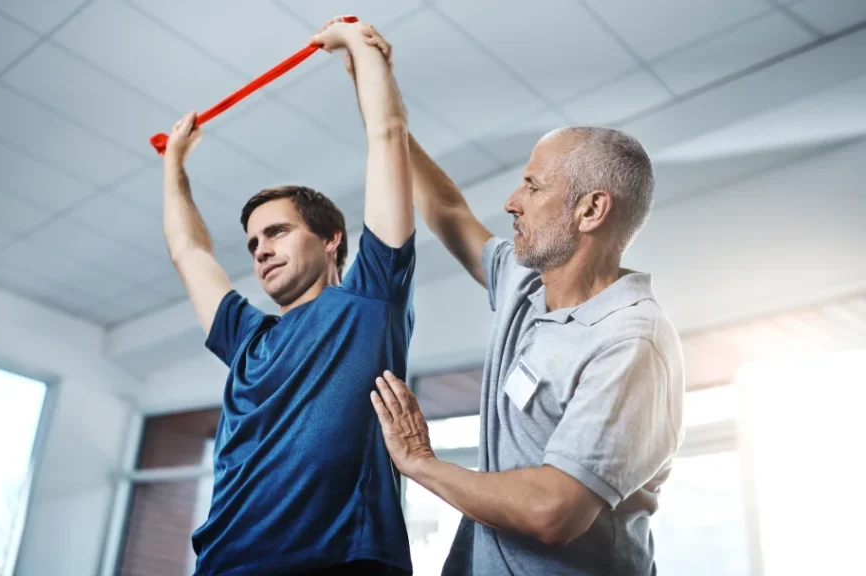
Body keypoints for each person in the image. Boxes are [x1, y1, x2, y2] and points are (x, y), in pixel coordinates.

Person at [346, 26, 685, 576]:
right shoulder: (527, 284)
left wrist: (420, 462)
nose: (511, 202)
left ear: (591, 210)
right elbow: (450, 213)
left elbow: (555, 510)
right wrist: (383, 105)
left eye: (533, 186)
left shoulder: (630, 343)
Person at [160, 18, 416, 576]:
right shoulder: (247, 339)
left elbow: (387, 136)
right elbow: (188, 251)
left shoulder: (371, 301)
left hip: (338, 561)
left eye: (277, 232)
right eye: (254, 242)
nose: (261, 250)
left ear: (331, 239)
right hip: (223, 565)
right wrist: (174, 165)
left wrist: (357, 45)